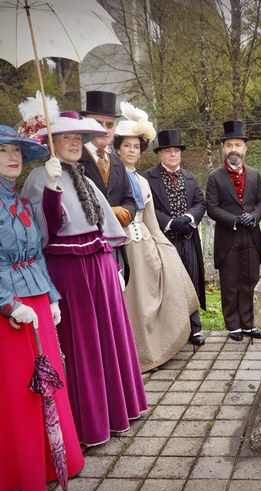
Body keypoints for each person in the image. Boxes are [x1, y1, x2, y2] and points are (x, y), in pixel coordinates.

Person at [0, 124, 84, 491]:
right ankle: (20, 472)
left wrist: (53, 298)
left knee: (49, 383)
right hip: (3, 310)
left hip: (38, 302)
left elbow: (37, 254)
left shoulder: (22, 202)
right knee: (17, 391)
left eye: (17, 151)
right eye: (3, 150)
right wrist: (10, 305)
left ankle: (56, 460)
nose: (14, 157)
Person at [22, 110, 147, 446]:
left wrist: (115, 265)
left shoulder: (86, 178)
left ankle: (120, 409)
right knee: (84, 343)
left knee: (111, 335)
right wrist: (50, 188)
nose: (75, 143)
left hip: (101, 266)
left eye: (78, 138)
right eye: (67, 138)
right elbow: (44, 231)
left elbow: (103, 227)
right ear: (51, 143)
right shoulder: (38, 178)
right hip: (69, 269)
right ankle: (90, 421)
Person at [113, 102, 200, 367]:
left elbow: (149, 219)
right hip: (124, 247)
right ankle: (136, 353)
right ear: (117, 149)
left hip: (147, 244)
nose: (132, 151)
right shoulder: (110, 180)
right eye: (127, 146)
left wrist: (164, 245)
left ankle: (160, 344)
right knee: (134, 302)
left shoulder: (141, 182)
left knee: (168, 282)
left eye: (136, 147)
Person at [142, 129, 207, 347]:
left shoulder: (190, 178)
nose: (172, 154)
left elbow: (200, 203)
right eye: (168, 151)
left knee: (191, 279)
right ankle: (173, 331)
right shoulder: (147, 179)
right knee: (169, 284)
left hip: (188, 238)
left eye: (176, 151)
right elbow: (147, 207)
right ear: (159, 154)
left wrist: (188, 217)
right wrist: (169, 222)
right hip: (164, 239)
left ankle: (195, 328)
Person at [205, 120, 261, 341]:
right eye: (230, 145)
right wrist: (235, 220)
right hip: (228, 236)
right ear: (224, 148)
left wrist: (254, 216)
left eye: (238, 145)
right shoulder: (214, 177)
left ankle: (249, 324)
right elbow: (212, 207)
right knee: (230, 283)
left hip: (251, 235)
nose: (234, 149)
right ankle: (233, 325)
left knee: (250, 280)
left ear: (245, 148)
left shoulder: (254, 174)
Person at [78, 90, 137, 282]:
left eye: (109, 124)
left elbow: (129, 199)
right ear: (85, 124)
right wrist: (109, 213)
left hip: (116, 245)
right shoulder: (75, 160)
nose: (104, 129)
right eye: (98, 123)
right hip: (88, 247)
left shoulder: (117, 161)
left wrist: (125, 213)